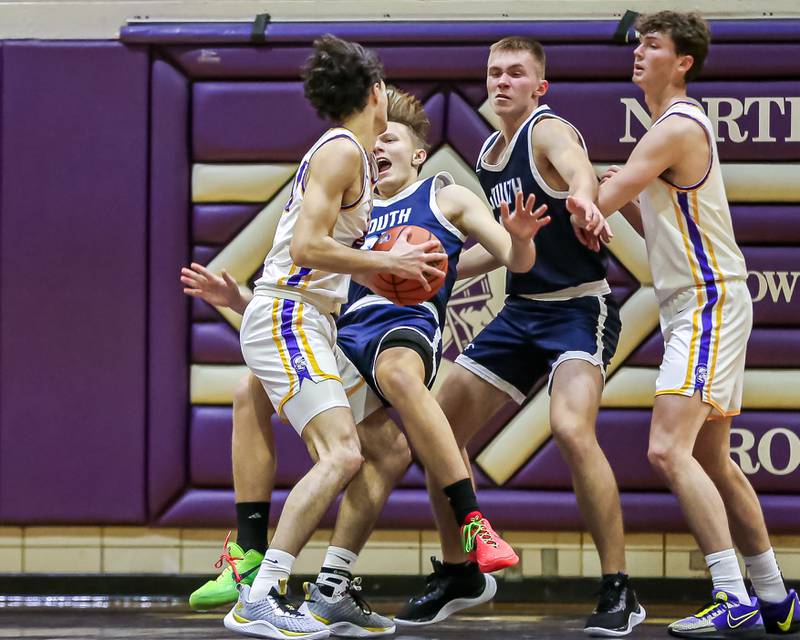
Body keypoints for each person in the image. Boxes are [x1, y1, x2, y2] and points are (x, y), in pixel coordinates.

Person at [183, 86, 551, 636]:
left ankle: (470, 518)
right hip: (339, 334)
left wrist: (521, 243)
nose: (377, 148)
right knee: (267, 400)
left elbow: (512, 258)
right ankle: (297, 573)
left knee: (395, 378)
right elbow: (316, 279)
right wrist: (241, 301)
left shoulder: (443, 196)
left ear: (419, 154)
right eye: (374, 140)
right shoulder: (358, 208)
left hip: (402, 330)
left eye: (391, 141)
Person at [395, 36, 647, 636]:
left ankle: (619, 586)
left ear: (540, 86)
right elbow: (508, 248)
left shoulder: (547, 129)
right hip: (522, 311)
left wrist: (586, 202)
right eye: (494, 73)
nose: (502, 81)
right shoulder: (488, 152)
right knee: (436, 429)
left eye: (516, 73)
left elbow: (578, 170)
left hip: (578, 310)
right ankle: (460, 569)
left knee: (569, 427)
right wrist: (442, 272)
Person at [217, 35, 448, 640]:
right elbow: (304, 248)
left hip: (312, 319)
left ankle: (332, 589)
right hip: (289, 315)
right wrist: (386, 267)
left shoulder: (348, 153)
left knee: (389, 448)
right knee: (341, 453)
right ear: (375, 92)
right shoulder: (344, 149)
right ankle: (261, 595)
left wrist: (388, 261)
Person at [583, 10, 799, 638]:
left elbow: (600, 200)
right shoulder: (664, 130)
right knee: (713, 458)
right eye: (638, 44)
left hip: (706, 303)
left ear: (683, 62)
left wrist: (565, 186)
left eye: (653, 45)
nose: (638, 53)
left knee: (665, 449)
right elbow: (634, 216)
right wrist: (599, 201)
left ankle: (732, 595)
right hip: (701, 301)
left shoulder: (676, 126)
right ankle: (775, 596)